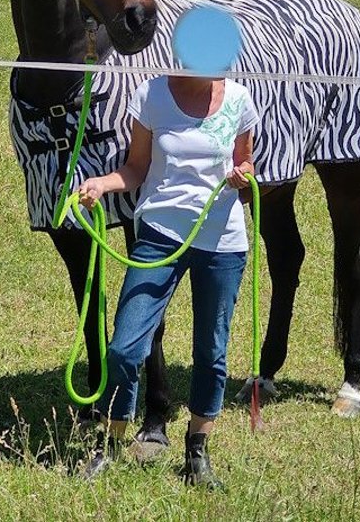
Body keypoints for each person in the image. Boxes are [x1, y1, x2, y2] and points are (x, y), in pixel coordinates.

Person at [76, 72, 257, 488]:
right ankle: (111, 445)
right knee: (124, 346)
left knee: (211, 353)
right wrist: (103, 184)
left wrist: (244, 176)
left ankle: (196, 454)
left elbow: (245, 167)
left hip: (223, 242)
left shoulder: (240, 100)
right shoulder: (153, 95)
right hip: (159, 236)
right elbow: (136, 168)